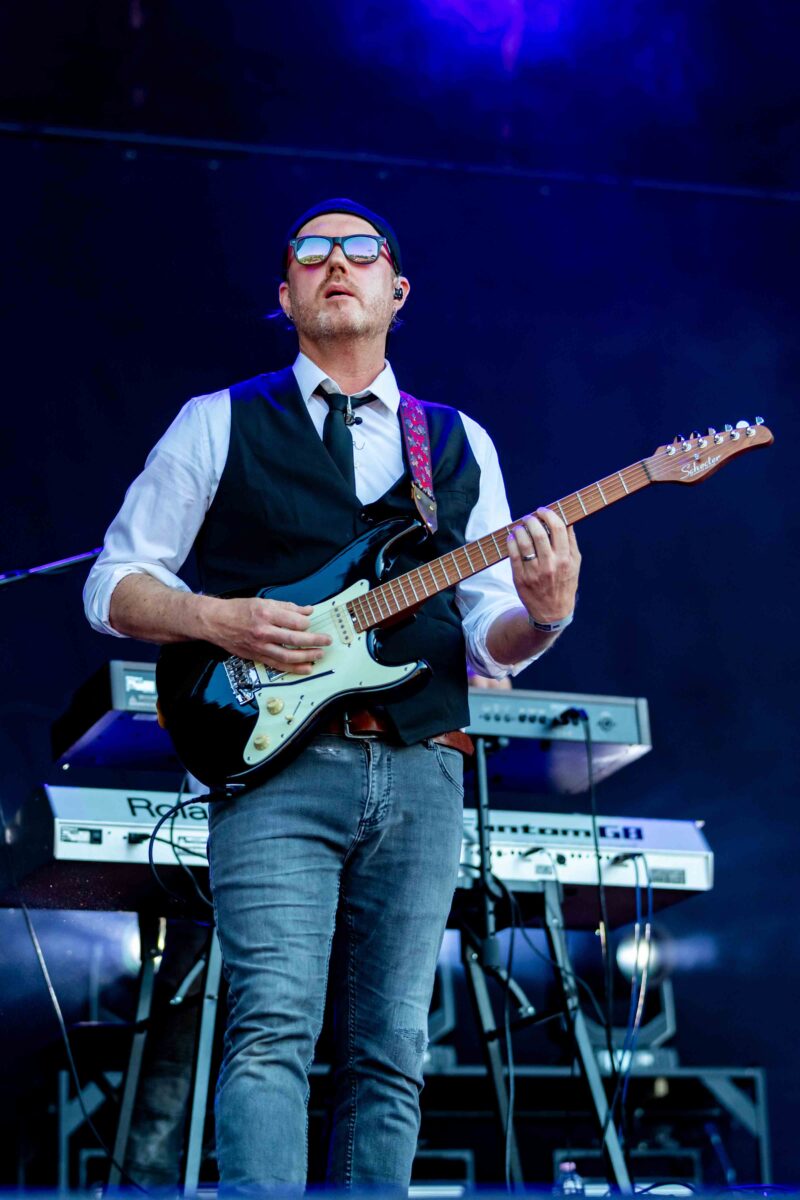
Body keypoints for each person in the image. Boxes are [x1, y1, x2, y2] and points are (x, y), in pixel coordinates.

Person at [84, 197, 581, 1192]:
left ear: (398, 290)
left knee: (391, 1047)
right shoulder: (218, 421)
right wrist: (218, 618)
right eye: (311, 252)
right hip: (271, 762)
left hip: (422, 764)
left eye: (360, 250)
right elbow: (113, 585)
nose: (336, 263)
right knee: (270, 1027)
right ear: (285, 295)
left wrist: (545, 615)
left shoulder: (455, 442)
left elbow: (491, 631)